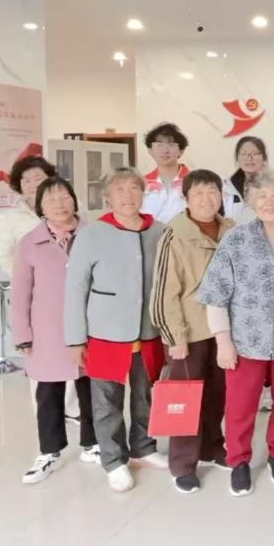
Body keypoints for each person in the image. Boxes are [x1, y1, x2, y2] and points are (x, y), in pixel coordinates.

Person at [196, 170, 274, 497]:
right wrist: (223, 341)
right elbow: (216, 294)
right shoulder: (236, 239)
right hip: (244, 341)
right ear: (250, 201)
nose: (269, 202)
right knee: (240, 406)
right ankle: (239, 460)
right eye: (261, 196)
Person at [64, 168, 167, 493]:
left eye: (134, 188)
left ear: (143, 194)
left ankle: (144, 447)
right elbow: (75, 289)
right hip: (105, 333)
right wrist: (75, 339)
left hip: (149, 330)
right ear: (107, 197)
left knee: (145, 394)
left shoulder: (159, 231)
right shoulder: (92, 234)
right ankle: (113, 459)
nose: (128, 195)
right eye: (120, 189)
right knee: (106, 400)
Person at [150, 169, 235, 494]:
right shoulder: (175, 234)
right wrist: (175, 336)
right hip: (190, 331)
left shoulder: (231, 230)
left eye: (212, 192)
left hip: (224, 330)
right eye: (198, 193)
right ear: (185, 198)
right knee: (185, 399)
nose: (206, 199)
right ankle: (183, 463)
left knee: (218, 393)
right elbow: (164, 291)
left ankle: (212, 447)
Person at [12, 177, 99, 484]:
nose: (59, 204)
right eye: (50, 200)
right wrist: (22, 333)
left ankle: (92, 443)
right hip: (46, 330)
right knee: (48, 392)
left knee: (91, 388)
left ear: (74, 200)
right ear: (40, 207)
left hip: (90, 327)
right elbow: (20, 293)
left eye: (64, 197)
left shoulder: (94, 234)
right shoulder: (29, 243)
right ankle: (49, 452)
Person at [0, 154, 57, 274]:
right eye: (27, 181)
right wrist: (24, 279)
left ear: (51, 179)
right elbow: (6, 258)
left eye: (38, 178)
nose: (33, 185)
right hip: (29, 280)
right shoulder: (9, 217)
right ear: (20, 185)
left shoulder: (70, 206)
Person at [141, 122, 191, 224]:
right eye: (159, 145)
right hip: (150, 233)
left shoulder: (195, 182)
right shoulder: (141, 183)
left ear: (181, 151)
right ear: (150, 150)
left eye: (171, 145)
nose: (165, 150)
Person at [222, 136, 267, 220]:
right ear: (237, 158)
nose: (249, 158)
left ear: (264, 157)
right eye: (244, 154)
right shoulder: (226, 187)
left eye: (255, 153)